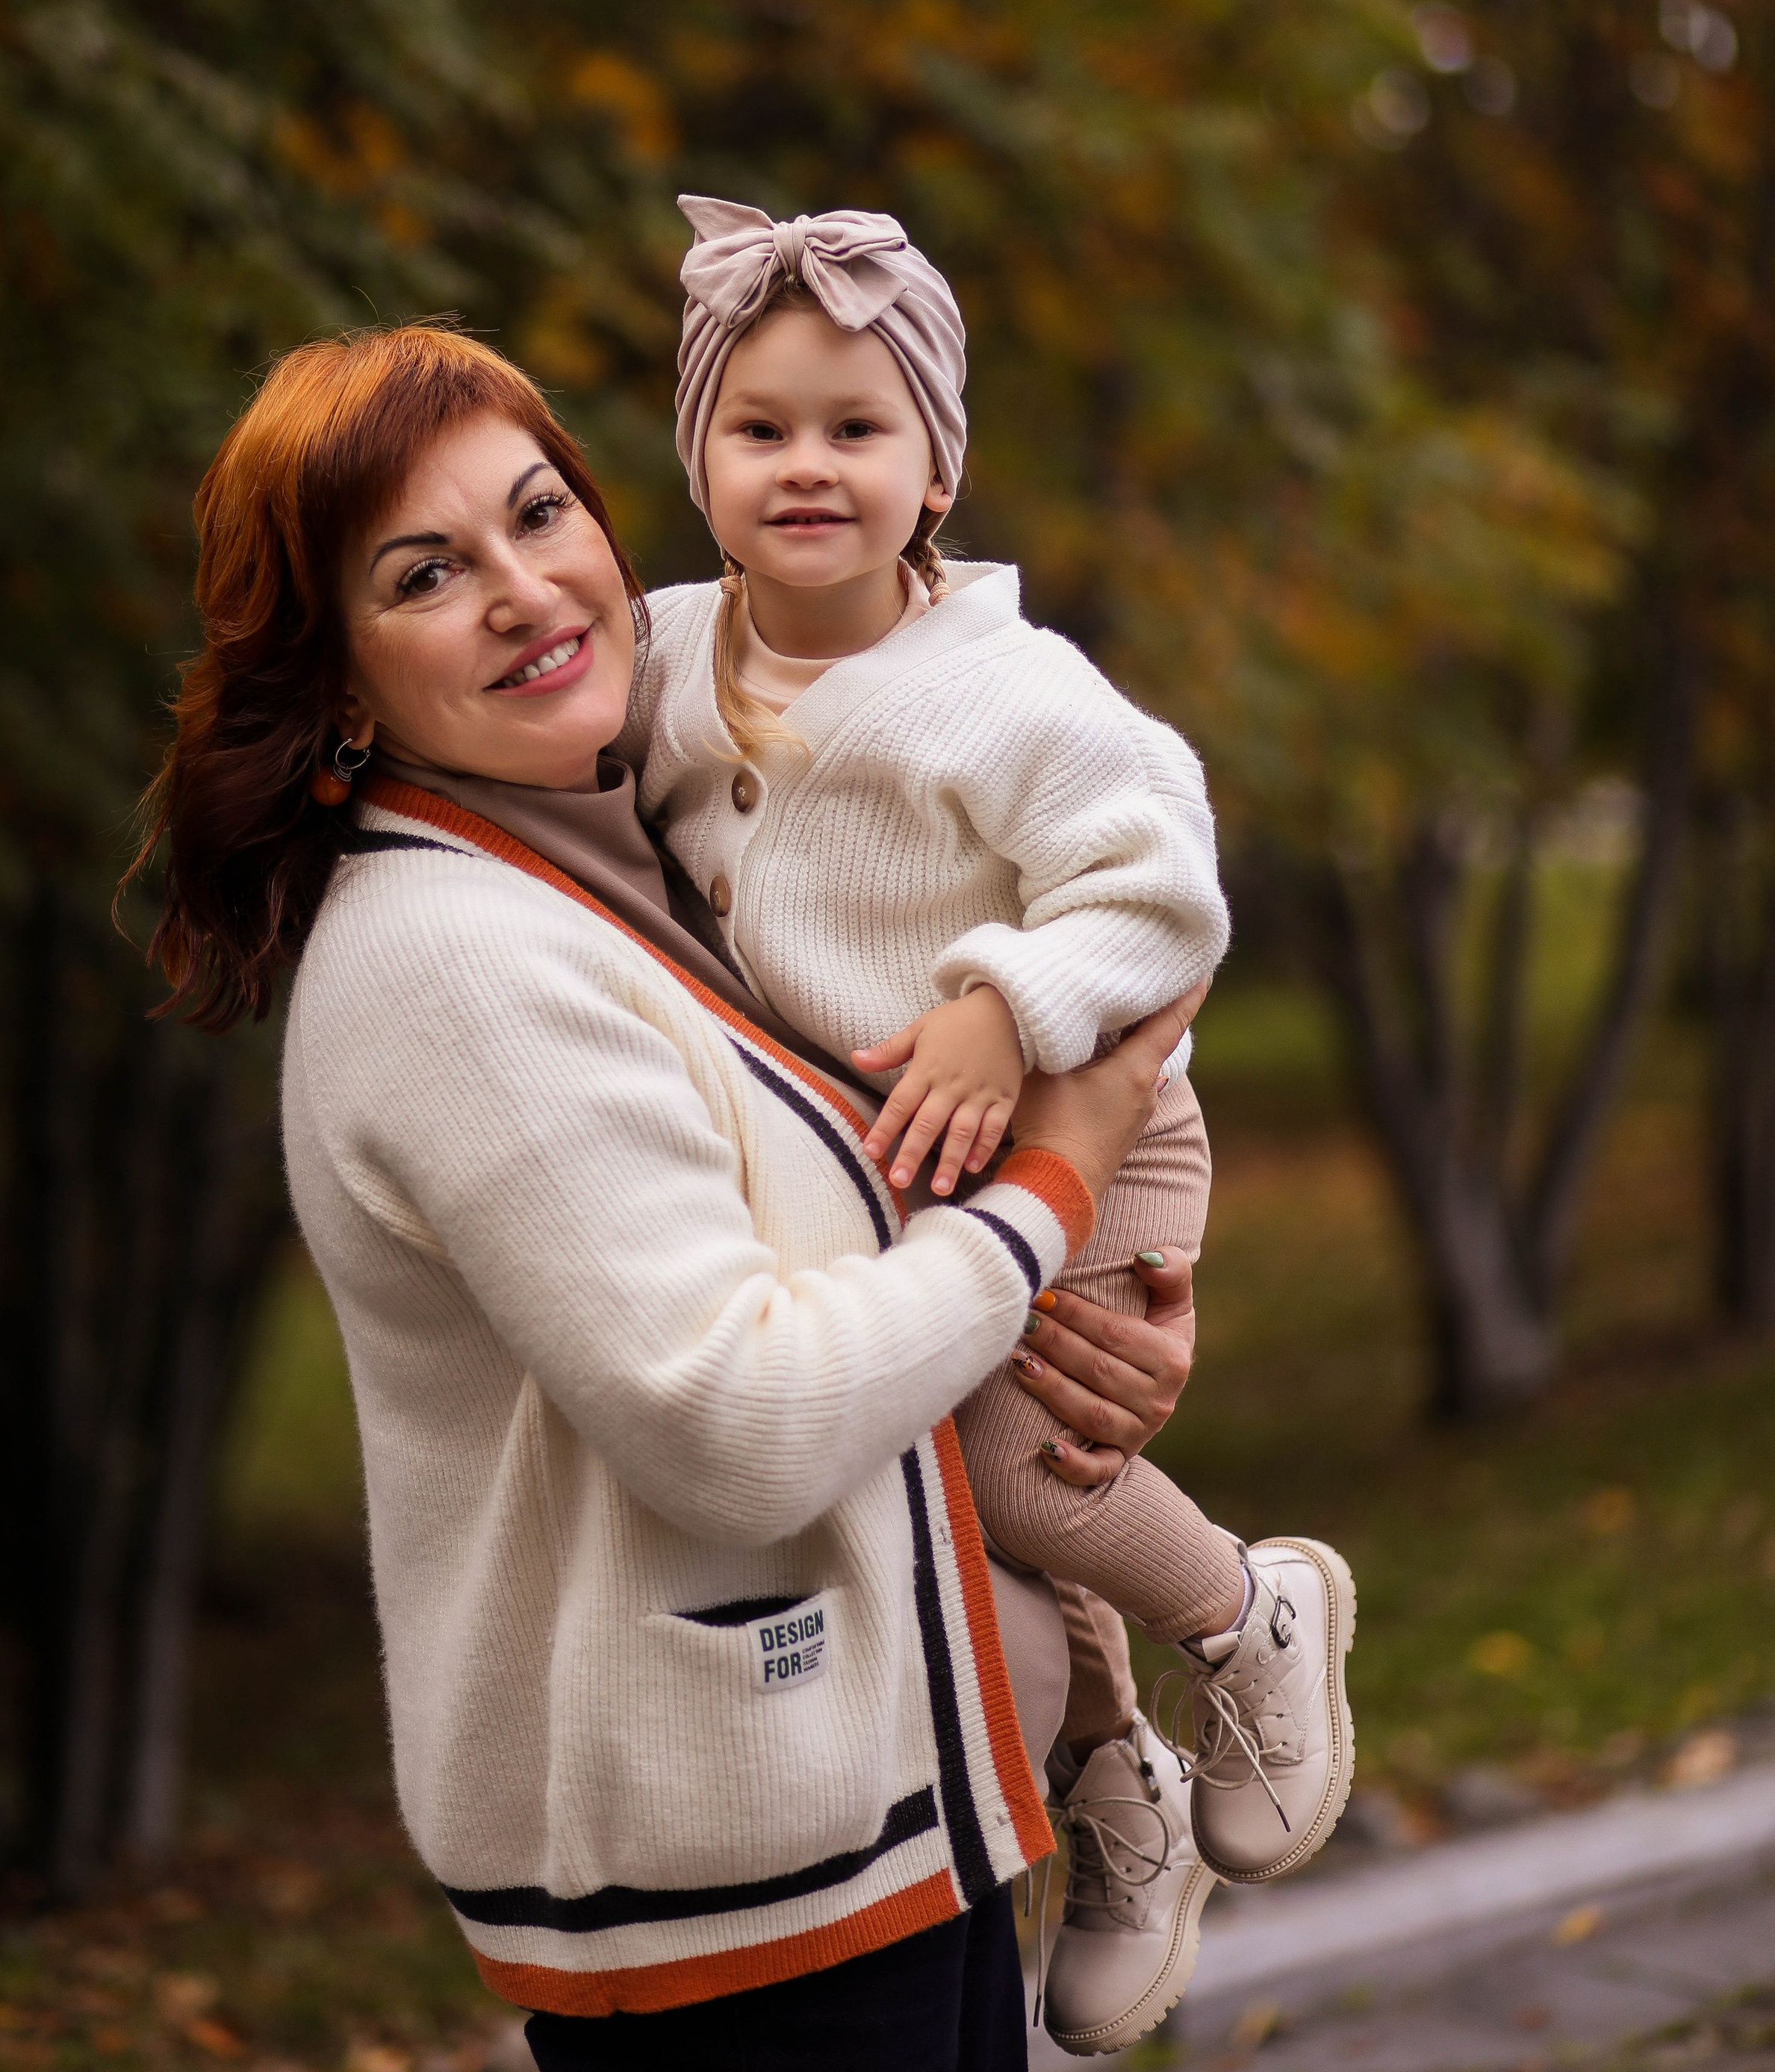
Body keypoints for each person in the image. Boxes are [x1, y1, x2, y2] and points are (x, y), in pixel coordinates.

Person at [126, 321, 1202, 2072]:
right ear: (342, 684)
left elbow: (836, 1249)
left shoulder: (643, 855)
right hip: (735, 1916)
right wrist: (1051, 1195)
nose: (521, 590)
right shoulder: (453, 961)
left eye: (537, 513)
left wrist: (1072, 1354)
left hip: (880, 1828)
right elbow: (738, 1414)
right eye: (424, 573)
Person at [619, 198, 1358, 2056]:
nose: (806, 465)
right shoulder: (660, 660)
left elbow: (1161, 888)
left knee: (1026, 1477)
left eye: (855, 427)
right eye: (758, 426)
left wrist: (1002, 997)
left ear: (934, 464)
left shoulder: (1006, 687)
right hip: (905, 1173)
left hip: (1093, 1122)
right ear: (697, 462)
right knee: (944, 1495)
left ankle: (1251, 1614)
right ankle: (1114, 1787)